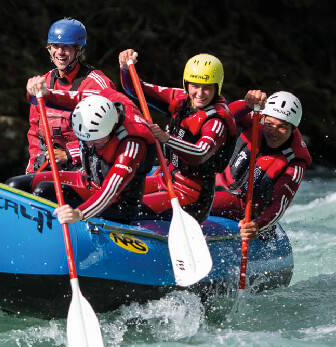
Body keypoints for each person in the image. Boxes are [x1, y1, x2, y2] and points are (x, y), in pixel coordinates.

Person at [118, 50, 236, 222]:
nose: (200, 93)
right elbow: (136, 89)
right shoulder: (178, 98)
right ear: (187, 84)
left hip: (191, 196)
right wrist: (125, 68)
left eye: (207, 88)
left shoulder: (216, 121)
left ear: (217, 88)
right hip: (164, 178)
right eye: (195, 86)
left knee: (127, 206)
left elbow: (199, 154)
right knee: (116, 193)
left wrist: (166, 138)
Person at [25, 78, 156, 224]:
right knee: (18, 185)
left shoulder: (132, 144)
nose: (89, 144)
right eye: (85, 139)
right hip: (87, 181)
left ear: (112, 129)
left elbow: (109, 192)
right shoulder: (98, 100)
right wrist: (40, 93)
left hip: (117, 204)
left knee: (42, 191)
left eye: (97, 141)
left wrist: (79, 214)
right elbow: (58, 98)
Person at [7, 18, 116, 192]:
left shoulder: (97, 84)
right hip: (50, 166)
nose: (60, 52)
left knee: (43, 191)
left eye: (66, 47)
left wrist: (68, 154)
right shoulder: (43, 82)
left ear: (78, 50)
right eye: (55, 46)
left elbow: (111, 134)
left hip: (86, 169)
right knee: (14, 185)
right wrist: (34, 165)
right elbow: (35, 131)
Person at [212, 90, 312, 239]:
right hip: (215, 179)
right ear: (263, 119)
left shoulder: (296, 162)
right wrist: (246, 105)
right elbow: (223, 117)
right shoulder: (257, 119)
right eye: (270, 124)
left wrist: (258, 225)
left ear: (293, 129)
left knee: (193, 199)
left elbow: (279, 205)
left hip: (240, 204)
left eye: (282, 127)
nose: (274, 132)